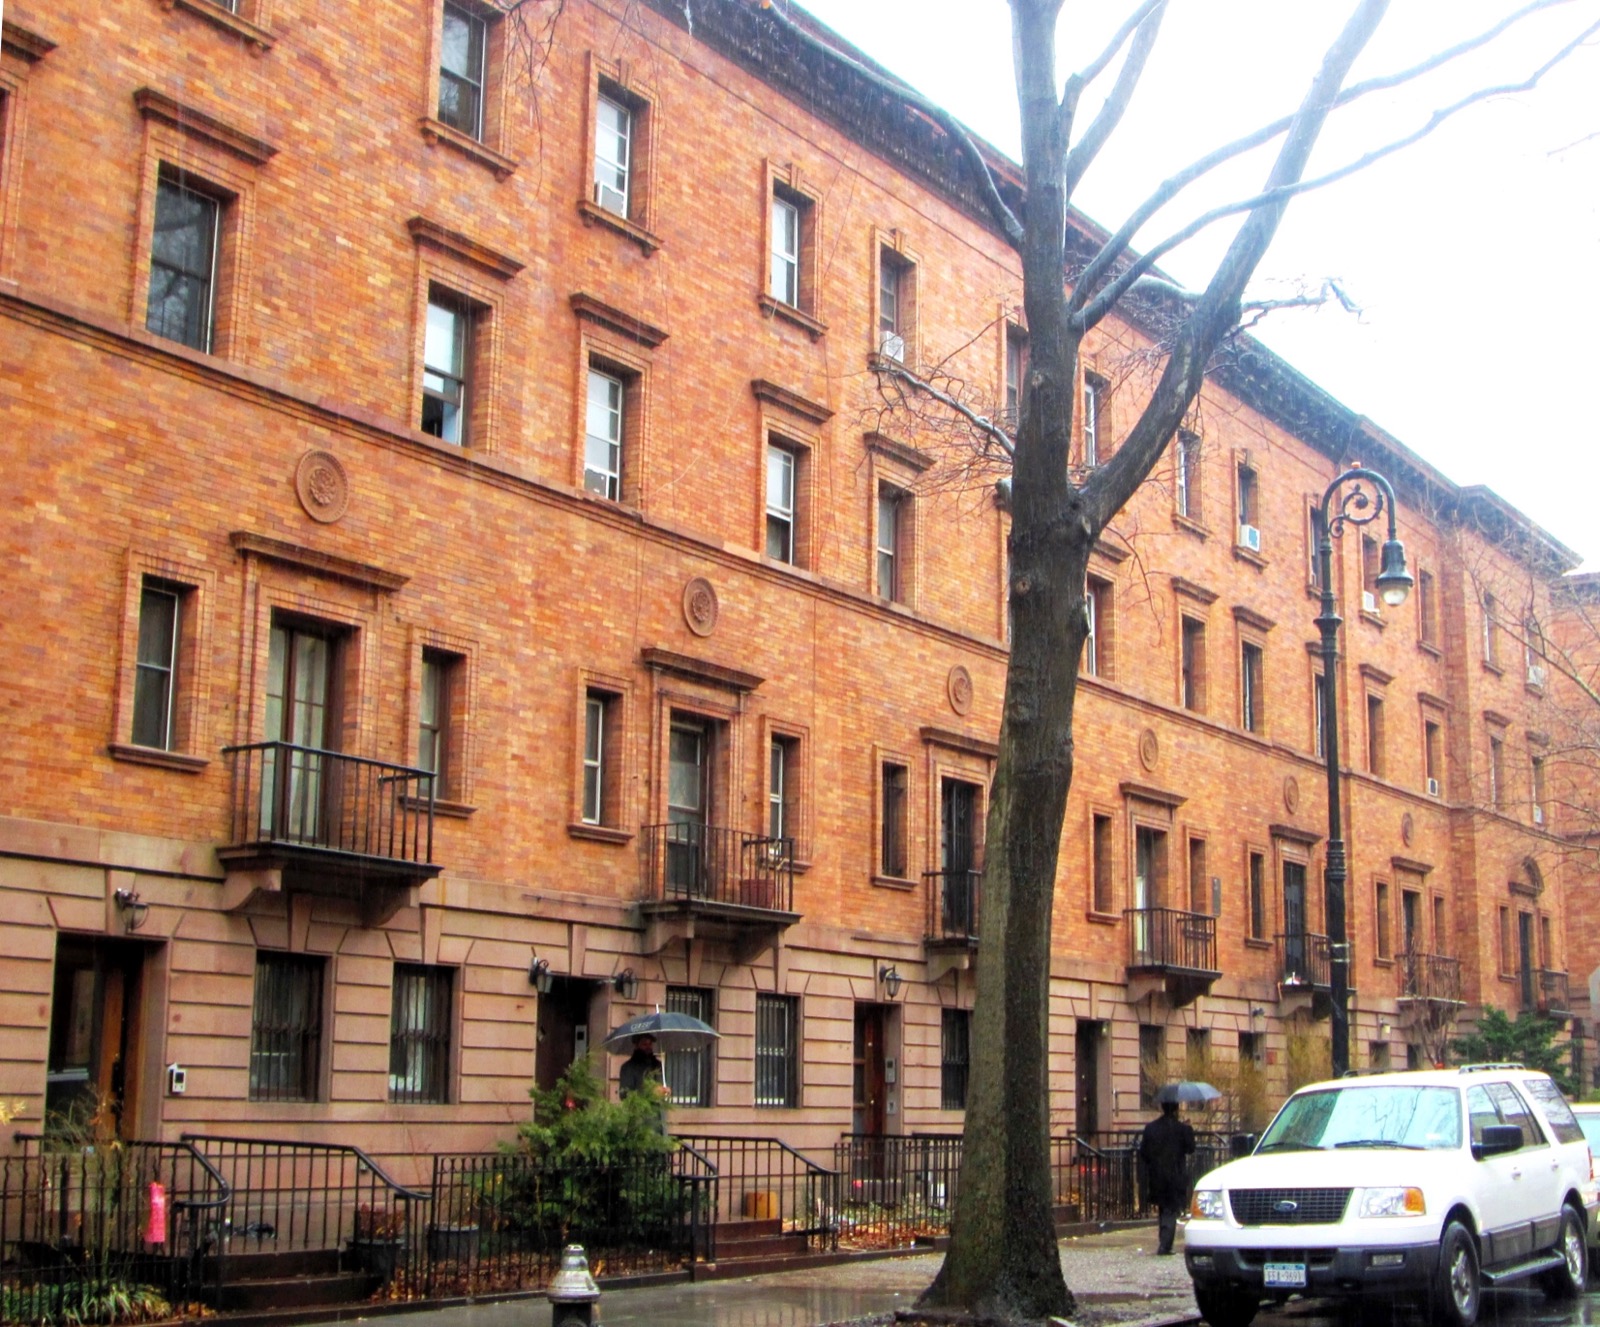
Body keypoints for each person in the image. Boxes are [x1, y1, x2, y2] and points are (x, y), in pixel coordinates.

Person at [1139, 1098, 1196, 1255]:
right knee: (1170, 1210)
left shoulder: (1151, 1128)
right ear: (1176, 1108)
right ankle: (1165, 1245)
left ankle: (1164, 1241)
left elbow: (1144, 1152)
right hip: (1175, 1175)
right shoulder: (1182, 1129)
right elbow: (1191, 1148)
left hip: (1157, 1175)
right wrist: (1188, 1128)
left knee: (1163, 1209)